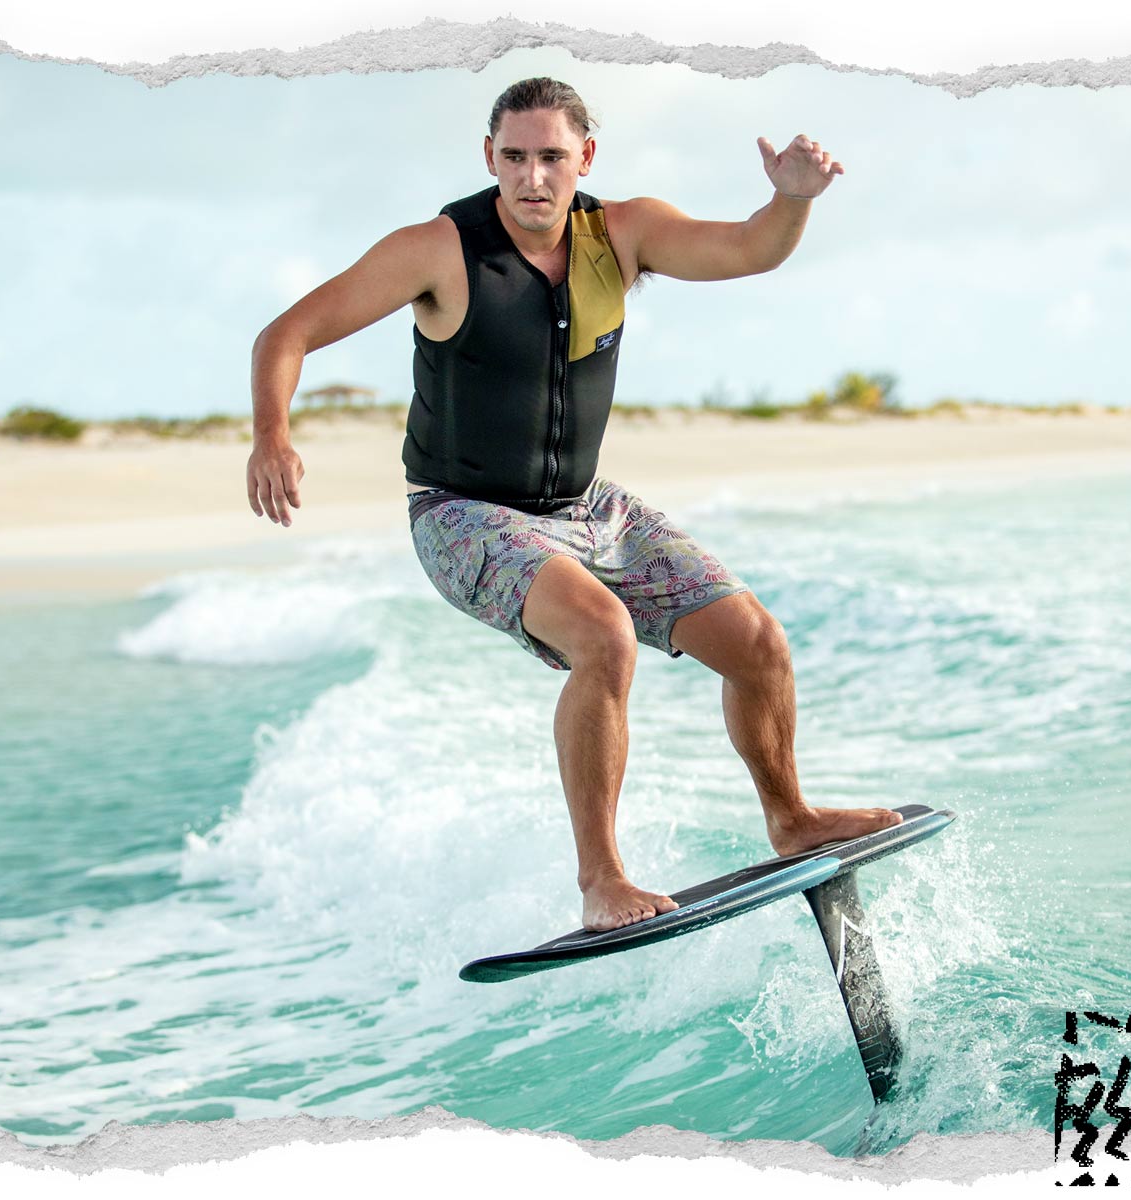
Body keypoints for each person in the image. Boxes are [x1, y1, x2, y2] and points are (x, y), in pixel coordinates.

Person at [246, 77, 900, 931]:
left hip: (590, 507)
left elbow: (748, 248)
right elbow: (285, 334)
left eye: (552, 157)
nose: (532, 177)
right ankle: (602, 880)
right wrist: (272, 435)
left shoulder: (621, 233)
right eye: (514, 157)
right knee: (603, 635)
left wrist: (789, 201)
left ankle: (791, 818)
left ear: (584, 158)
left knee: (758, 646)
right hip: (461, 513)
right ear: (489, 158)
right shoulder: (440, 249)